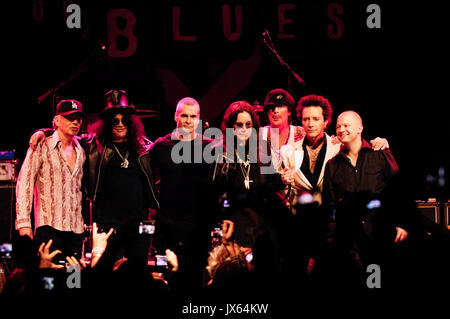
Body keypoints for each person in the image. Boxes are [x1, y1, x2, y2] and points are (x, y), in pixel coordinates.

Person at [29, 90, 160, 267]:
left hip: (142, 223)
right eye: (115, 120)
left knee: (138, 273)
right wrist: (42, 131)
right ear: (107, 123)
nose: (120, 124)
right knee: (105, 276)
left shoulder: (146, 149)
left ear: (131, 122)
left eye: (124, 120)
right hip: (107, 225)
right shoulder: (92, 146)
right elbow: (64, 134)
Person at [278, 95, 389, 286]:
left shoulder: (337, 145)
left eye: (315, 119)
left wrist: (380, 141)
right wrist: (281, 180)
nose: (310, 124)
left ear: (326, 122)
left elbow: (358, 142)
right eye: (306, 119)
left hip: (329, 228)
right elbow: (281, 187)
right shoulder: (288, 151)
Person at [322, 110, 408, 288]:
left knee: (376, 283)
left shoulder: (380, 154)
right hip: (350, 242)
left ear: (360, 128)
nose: (341, 129)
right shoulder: (332, 165)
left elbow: (399, 190)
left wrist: (403, 222)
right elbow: (329, 205)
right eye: (338, 126)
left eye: (347, 125)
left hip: (379, 235)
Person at [148, 97, 215, 294]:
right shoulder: (161, 146)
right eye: (184, 115)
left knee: (195, 281)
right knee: (164, 281)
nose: (188, 120)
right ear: (176, 116)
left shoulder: (209, 146)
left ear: (199, 119)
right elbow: (144, 176)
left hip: (197, 229)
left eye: (192, 116)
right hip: (166, 227)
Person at [16, 99, 86, 261]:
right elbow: (25, 182)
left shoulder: (81, 149)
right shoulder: (42, 145)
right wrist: (24, 223)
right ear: (57, 120)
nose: (75, 122)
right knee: (48, 282)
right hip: (49, 228)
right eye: (70, 118)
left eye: (78, 119)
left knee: (74, 281)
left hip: (75, 229)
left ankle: (74, 285)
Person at [260, 88, 305, 170]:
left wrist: (335, 141)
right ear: (267, 112)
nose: (276, 111)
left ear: (289, 111)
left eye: (280, 106)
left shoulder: (300, 133)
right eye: (271, 107)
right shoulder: (259, 134)